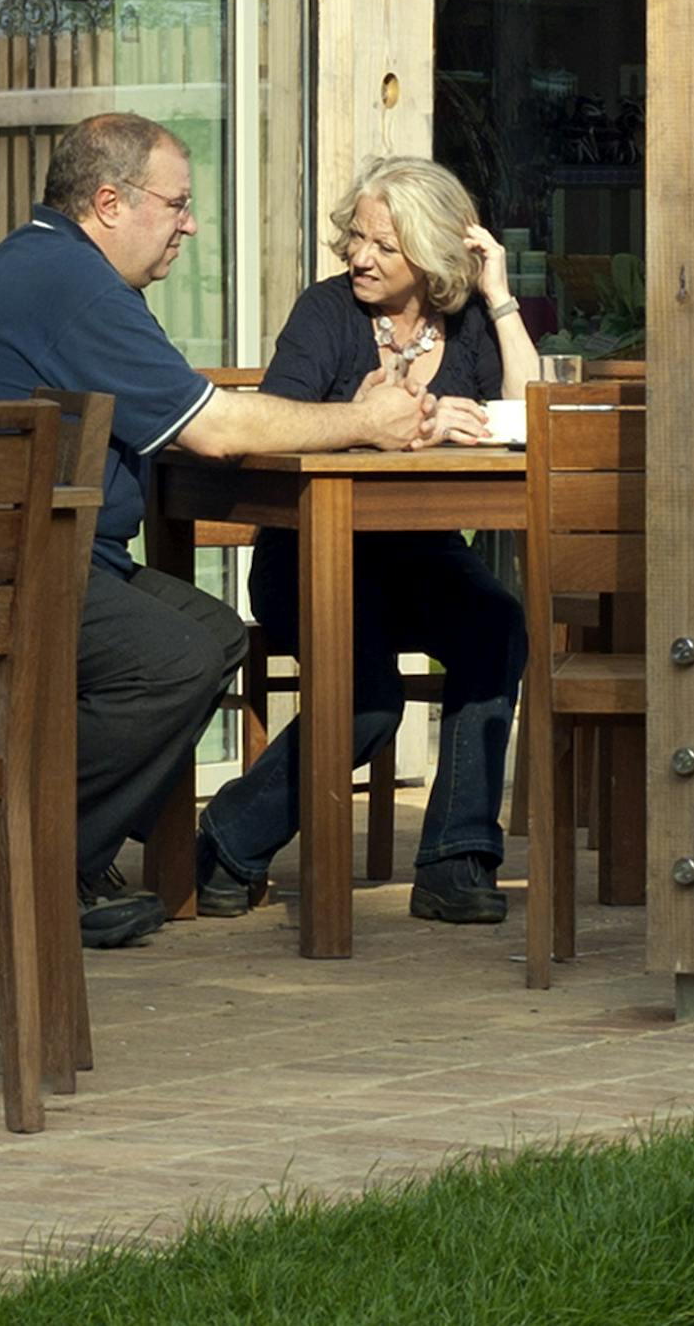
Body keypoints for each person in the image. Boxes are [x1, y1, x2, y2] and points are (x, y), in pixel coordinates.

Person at [0, 110, 425, 947]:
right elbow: (211, 427)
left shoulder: (54, 268)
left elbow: (179, 411)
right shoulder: (74, 287)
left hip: (28, 551)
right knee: (170, 659)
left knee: (211, 633)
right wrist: (362, 422)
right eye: (176, 203)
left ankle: (85, 842)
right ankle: (29, 861)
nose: (191, 223)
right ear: (110, 202)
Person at [192, 155, 537, 931]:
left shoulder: (467, 322)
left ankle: (455, 858)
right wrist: (382, 423)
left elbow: (526, 415)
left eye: (383, 243)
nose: (359, 256)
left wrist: (500, 295)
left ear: (432, 251)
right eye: (356, 237)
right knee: (369, 699)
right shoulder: (326, 313)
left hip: (421, 552)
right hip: (310, 554)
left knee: (495, 623)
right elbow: (273, 426)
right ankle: (224, 842)